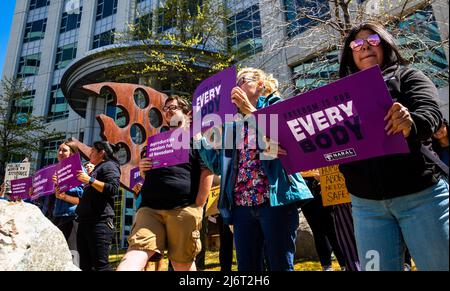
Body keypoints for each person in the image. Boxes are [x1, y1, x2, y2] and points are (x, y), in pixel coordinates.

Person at [338, 21, 449, 271]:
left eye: (373, 41)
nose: (365, 47)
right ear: (350, 53)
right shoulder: (338, 94)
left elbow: (431, 114)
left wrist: (411, 123)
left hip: (421, 198)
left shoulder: (408, 76)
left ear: (385, 46)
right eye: (357, 44)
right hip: (366, 207)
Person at [196, 68, 313, 271]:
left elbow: (285, 142)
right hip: (242, 207)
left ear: (260, 85)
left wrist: (249, 109)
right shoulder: (232, 124)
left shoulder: (274, 104)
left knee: (280, 265)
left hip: (275, 201)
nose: (236, 86)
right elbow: (218, 166)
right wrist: (200, 138)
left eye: (242, 80)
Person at [117, 95, 214, 271]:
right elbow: (149, 177)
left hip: (183, 207)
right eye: (165, 108)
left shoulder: (197, 139)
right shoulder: (156, 143)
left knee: (181, 263)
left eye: (173, 107)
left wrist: (199, 204)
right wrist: (143, 168)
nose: (168, 111)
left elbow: (207, 170)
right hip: (150, 208)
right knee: (137, 250)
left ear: (187, 113)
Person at [75, 141, 121, 271]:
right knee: (85, 265)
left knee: (101, 266)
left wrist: (89, 180)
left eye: (93, 151)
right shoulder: (96, 169)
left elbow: (113, 188)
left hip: (99, 223)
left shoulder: (110, 166)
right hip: (85, 221)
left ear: (102, 153)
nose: (90, 153)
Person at [300, 174, 347, 271]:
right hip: (305, 189)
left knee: (333, 229)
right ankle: (326, 266)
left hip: (326, 185)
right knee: (318, 231)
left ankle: (345, 264)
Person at [51, 140, 84, 266]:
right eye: (59, 150)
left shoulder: (78, 169)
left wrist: (63, 186)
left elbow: (82, 194)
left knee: (72, 254)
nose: (60, 152)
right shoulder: (55, 170)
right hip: (56, 215)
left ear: (72, 153)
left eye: (64, 150)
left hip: (71, 216)